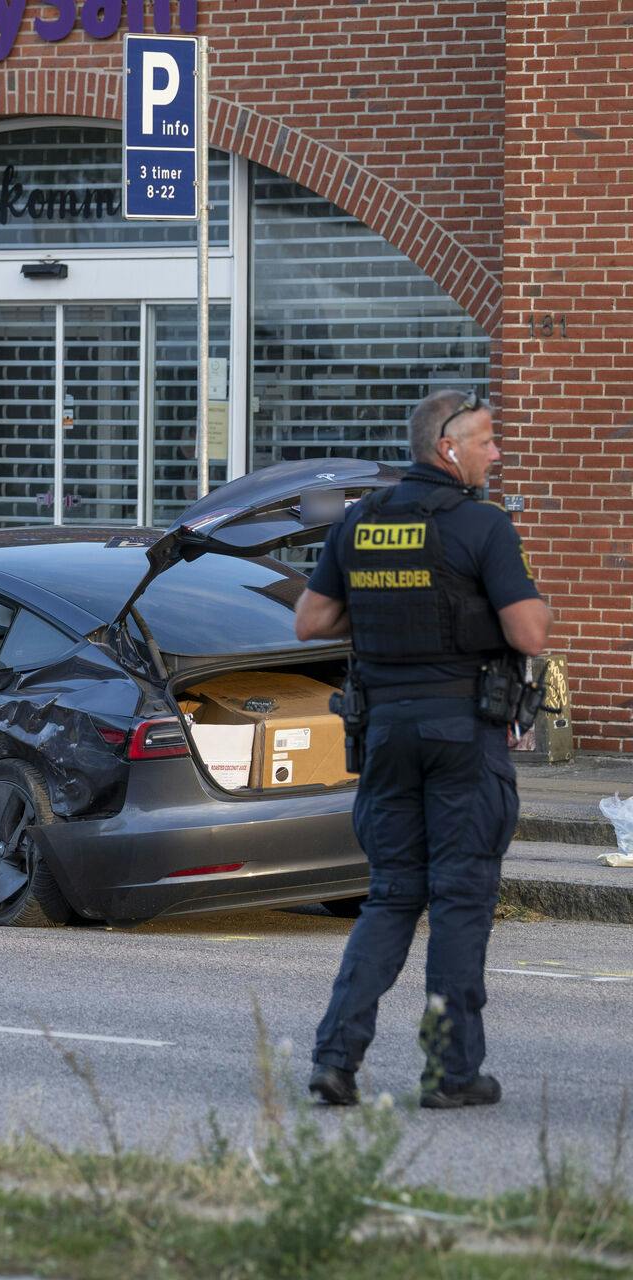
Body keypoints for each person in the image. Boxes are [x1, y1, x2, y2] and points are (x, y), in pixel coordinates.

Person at [294, 390, 551, 1110]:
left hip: (385, 735)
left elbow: (310, 620)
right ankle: (451, 1072)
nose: (495, 453)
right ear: (448, 448)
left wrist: (389, 610)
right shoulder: (482, 524)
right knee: (462, 900)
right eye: (486, 441)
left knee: (391, 897)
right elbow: (529, 633)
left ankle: (335, 1060)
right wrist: (530, 604)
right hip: (461, 735)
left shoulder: (360, 521)